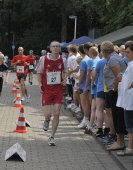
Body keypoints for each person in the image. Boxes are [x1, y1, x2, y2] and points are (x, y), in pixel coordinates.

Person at [36, 41, 67, 146]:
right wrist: (40, 84)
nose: (55, 48)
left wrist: (64, 79)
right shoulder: (43, 59)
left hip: (58, 89)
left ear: (59, 48)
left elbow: (65, 71)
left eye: (57, 46)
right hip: (47, 89)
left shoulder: (63, 59)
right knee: (48, 114)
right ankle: (46, 120)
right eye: (53, 46)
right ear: (50, 48)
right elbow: (39, 73)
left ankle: (52, 136)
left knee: (57, 113)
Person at [101, 41, 127, 151]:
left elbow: (119, 76)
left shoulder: (113, 59)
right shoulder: (112, 58)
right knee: (116, 115)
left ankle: (120, 142)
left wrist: (114, 89)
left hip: (117, 92)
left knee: (118, 116)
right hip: (116, 91)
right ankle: (119, 140)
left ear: (104, 51)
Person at [117, 41, 133, 156]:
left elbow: (129, 83)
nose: (125, 54)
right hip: (128, 99)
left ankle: (130, 148)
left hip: (130, 100)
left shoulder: (132, 65)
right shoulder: (130, 64)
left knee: (130, 125)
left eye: (127, 52)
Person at [77, 44, 92, 128]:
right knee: (89, 104)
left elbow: (82, 75)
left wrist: (78, 85)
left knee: (84, 103)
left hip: (84, 85)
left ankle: (86, 119)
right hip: (90, 85)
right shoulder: (90, 59)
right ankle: (88, 119)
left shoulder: (83, 61)